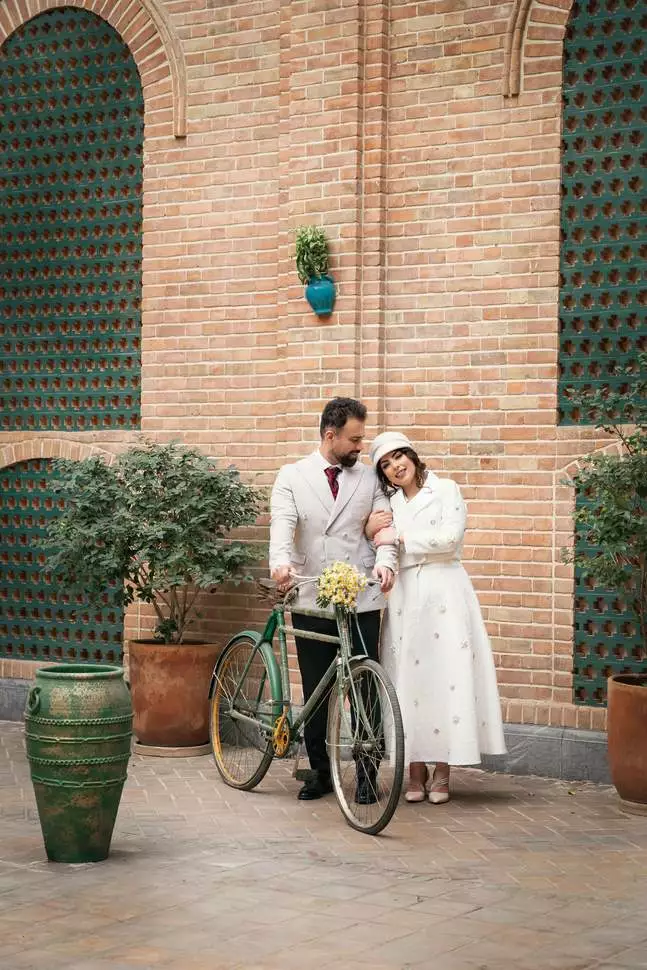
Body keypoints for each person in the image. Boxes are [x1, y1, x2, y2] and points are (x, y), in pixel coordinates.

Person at [367, 431, 506, 804]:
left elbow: (450, 539)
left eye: (399, 457)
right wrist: (384, 558)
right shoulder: (391, 504)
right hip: (405, 597)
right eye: (386, 465)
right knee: (409, 680)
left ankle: (443, 769)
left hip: (445, 593)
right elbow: (384, 547)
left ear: (412, 456)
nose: (395, 467)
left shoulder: (446, 489)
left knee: (446, 676)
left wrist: (401, 539)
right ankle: (415, 769)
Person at [269, 398, 398, 801]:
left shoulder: (370, 478)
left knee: (365, 686)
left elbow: (385, 530)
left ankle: (366, 775)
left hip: (361, 595)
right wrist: (280, 565)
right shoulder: (292, 475)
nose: (361, 446)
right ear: (330, 435)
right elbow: (282, 525)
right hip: (311, 593)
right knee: (316, 689)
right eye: (355, 439)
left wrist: (386, 563)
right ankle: (319, 774)